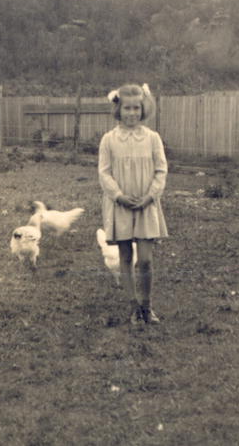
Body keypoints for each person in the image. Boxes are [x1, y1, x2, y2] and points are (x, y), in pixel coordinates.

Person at [98, 83, 168, 325]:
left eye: (136, 108)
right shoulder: (109, 140)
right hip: (121, 205)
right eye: (127, 108)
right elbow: (104, 173)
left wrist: (150, 196)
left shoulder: (152, 138)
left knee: (146, 259)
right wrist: (119, 195)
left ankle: (147, 306)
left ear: (143, 108)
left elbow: (161, 170)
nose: (131, 113)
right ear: (118, 109)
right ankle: (133, 307)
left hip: (146, 204)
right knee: (125, 256)